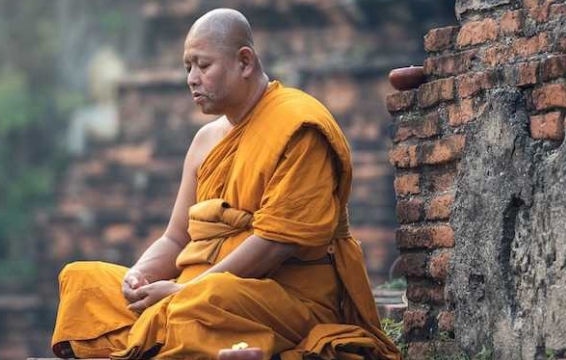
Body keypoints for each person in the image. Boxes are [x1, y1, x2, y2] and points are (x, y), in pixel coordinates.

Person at [51, 8, 400, 360]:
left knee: (204, 303)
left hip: (280, 297)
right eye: (187, 67)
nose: (191, 78)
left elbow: (274, 244)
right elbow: (176, 238)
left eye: (203, 66)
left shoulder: (297, 126)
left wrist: (182, 292)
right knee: (82, 281)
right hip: (196, 289)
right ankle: (184, 336)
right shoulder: (205, 140)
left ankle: (196, 340)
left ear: (244, 62)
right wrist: (139, 276)